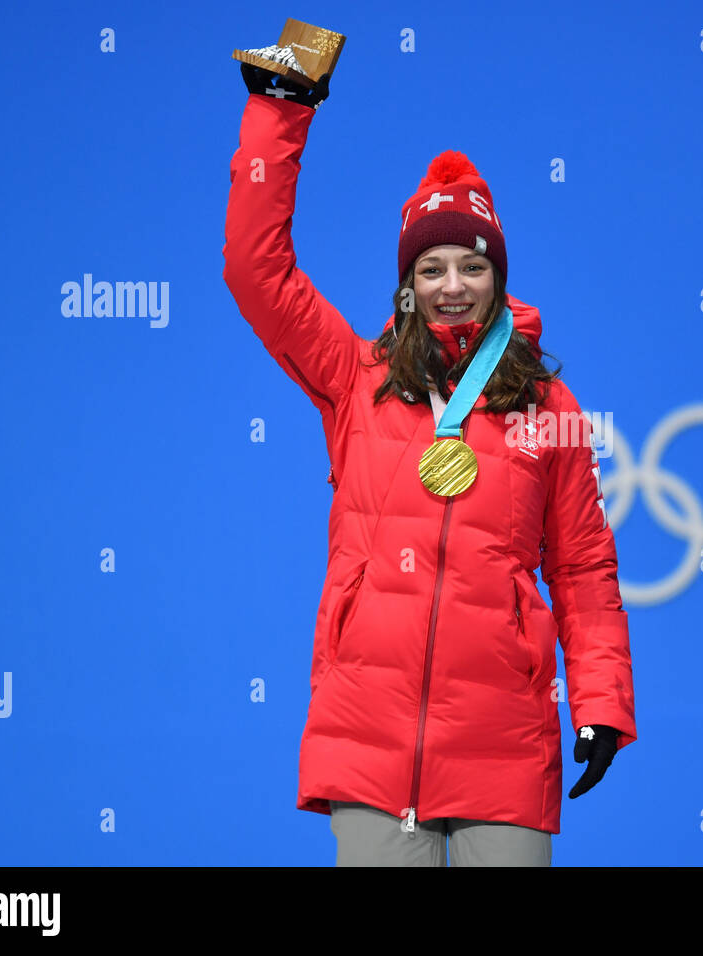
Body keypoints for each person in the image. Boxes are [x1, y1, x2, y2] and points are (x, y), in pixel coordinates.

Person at [222, 63, 638, 866]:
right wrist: (283, 106)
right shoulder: (356, 379)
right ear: (408, 285)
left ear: (498, 279)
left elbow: (584, 566)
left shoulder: (550, 410)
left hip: (504, 739)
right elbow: (254, 268)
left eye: (473, 267)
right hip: (370, 735)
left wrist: (602, 701)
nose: (454, 286)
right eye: (431, 268)